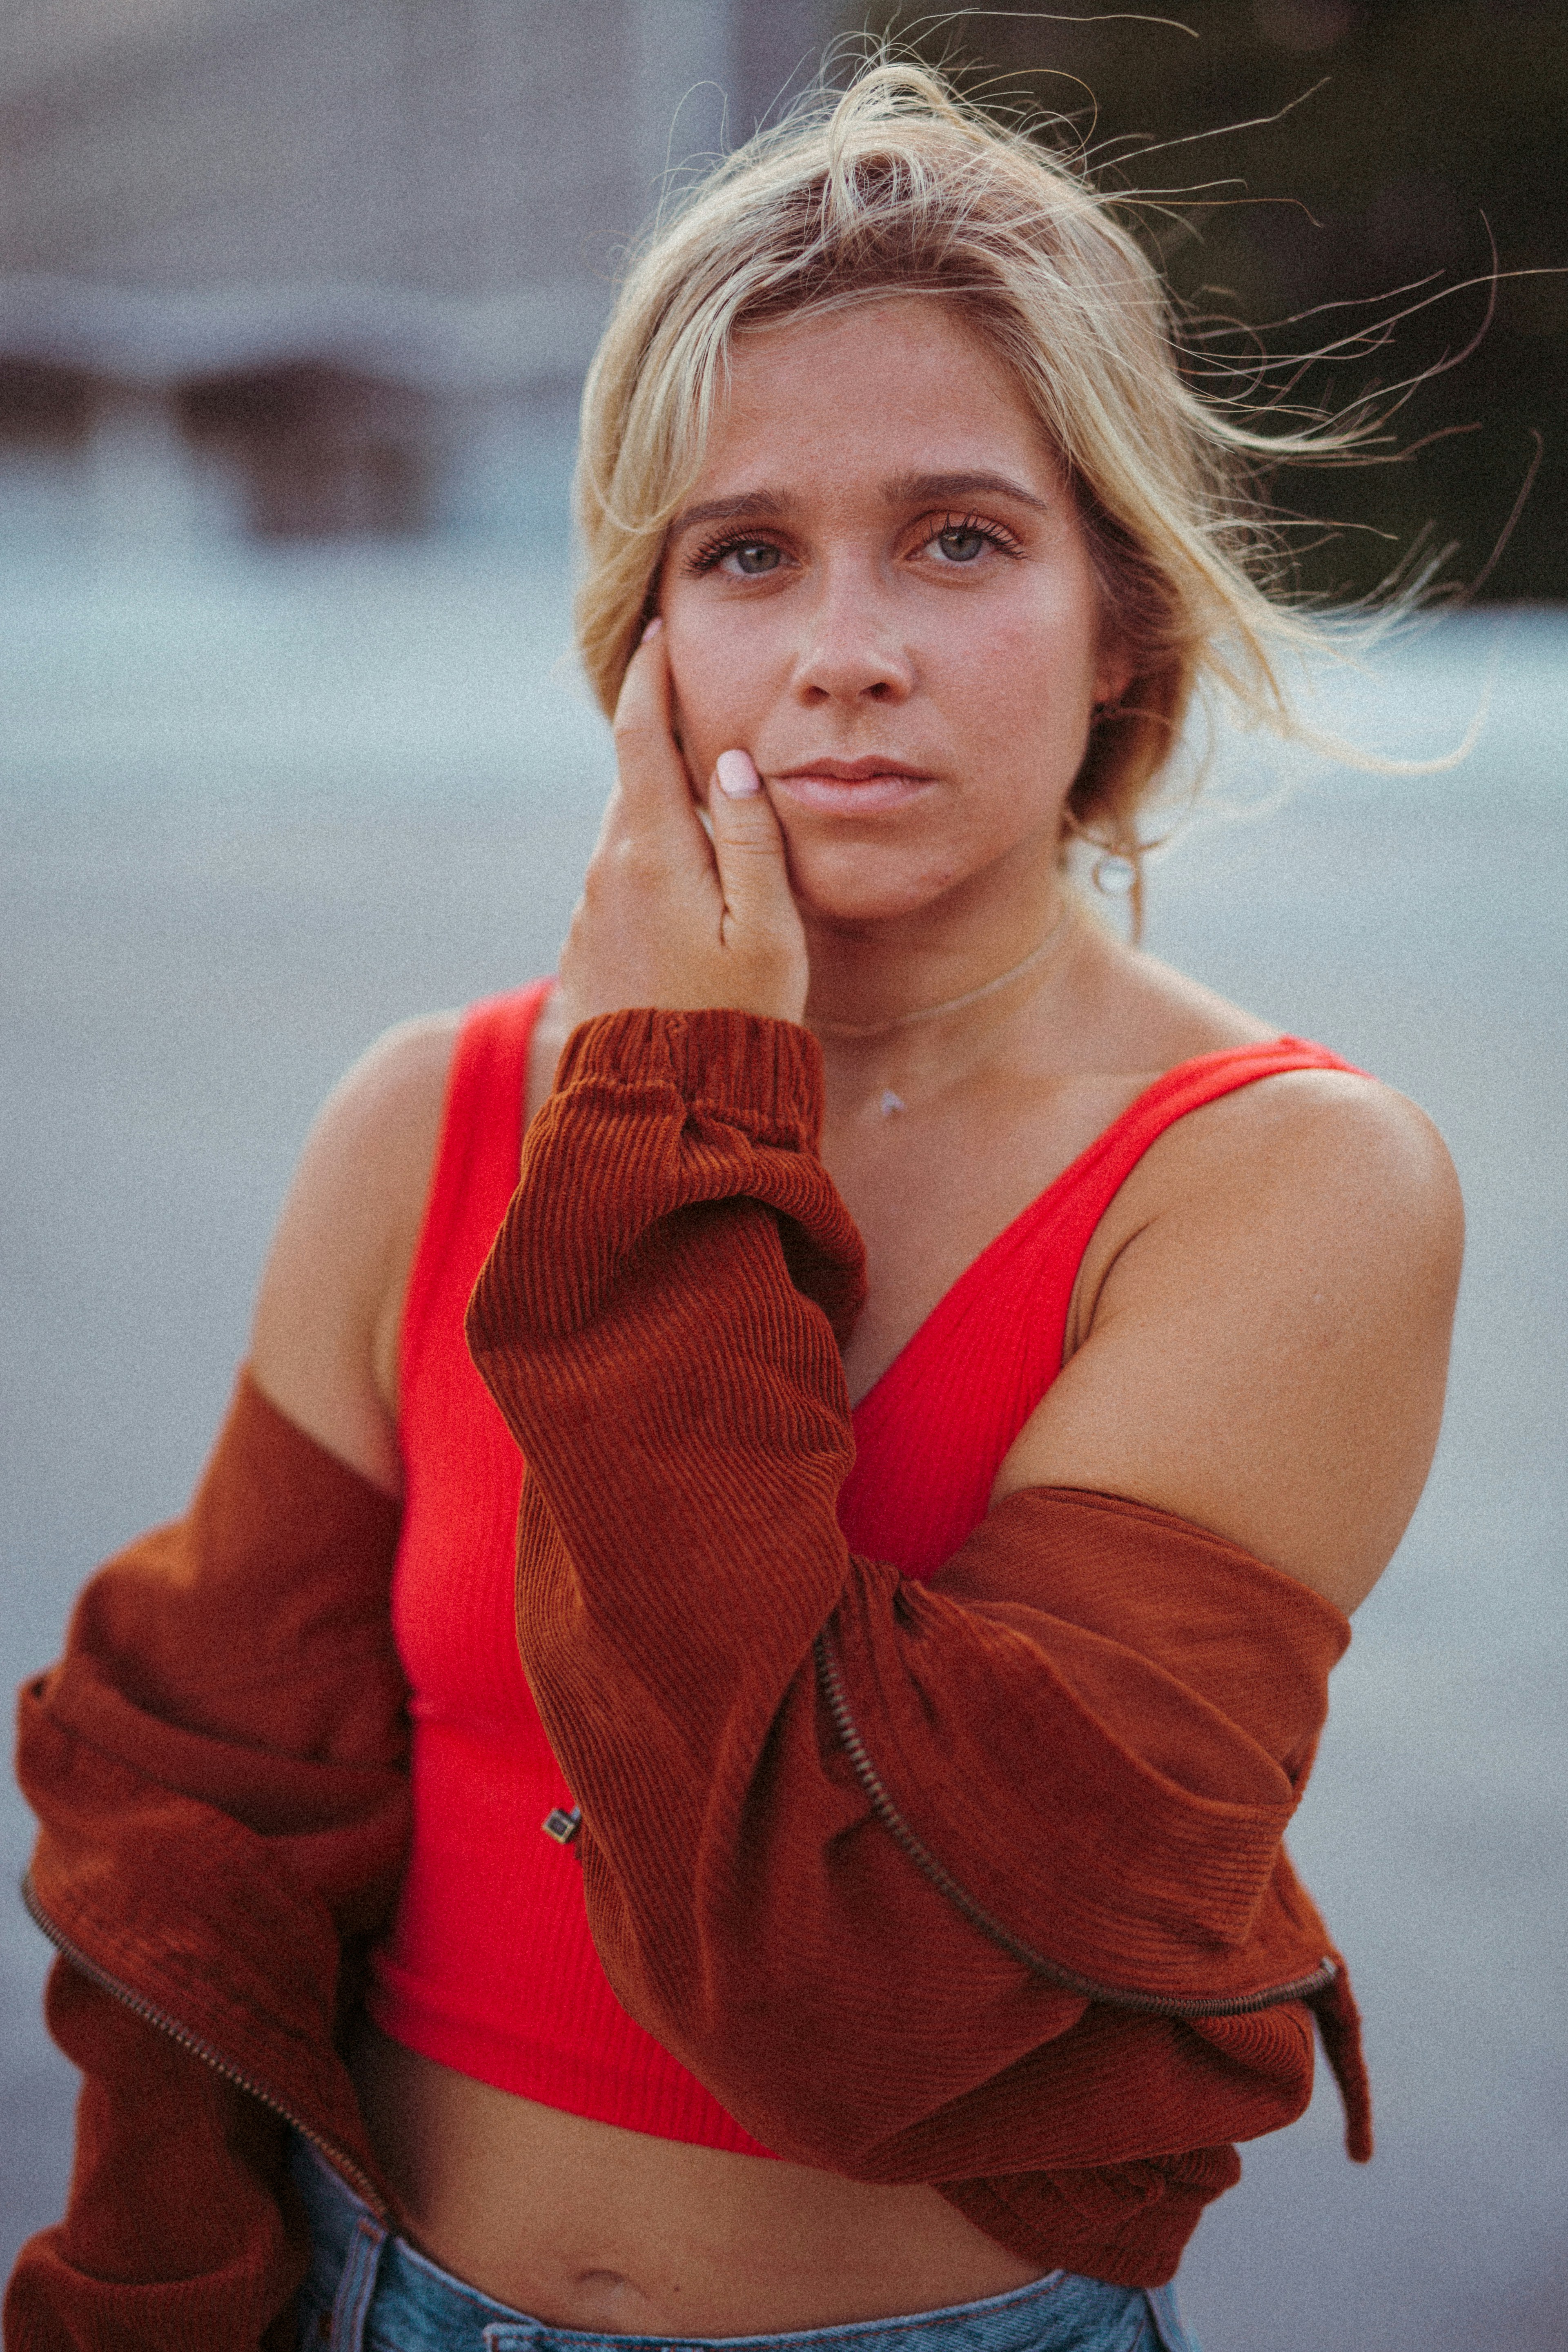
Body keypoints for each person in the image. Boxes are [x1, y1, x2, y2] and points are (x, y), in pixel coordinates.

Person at [9, 60, 1462, 2352]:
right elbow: (196, 1829)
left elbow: (860, 1967)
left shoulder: (1281, 1181)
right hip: (357, 2296)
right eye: (747, 551)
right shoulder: (431, 1120)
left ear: (1119, 618)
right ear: (647, 635)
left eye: (961, 539)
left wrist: (681, 1104)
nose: (841, 650)